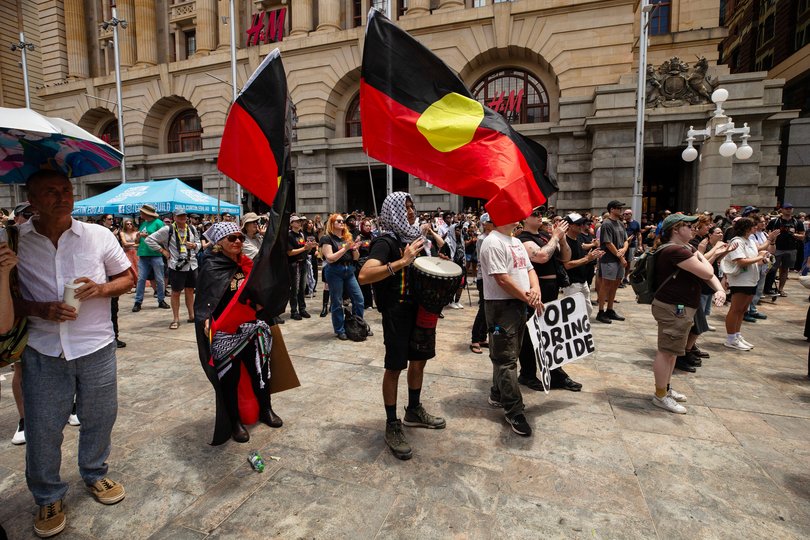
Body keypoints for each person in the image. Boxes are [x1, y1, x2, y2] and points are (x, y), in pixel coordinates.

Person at [2, 170, 133, 537]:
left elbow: (128, 278)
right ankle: (47, 495)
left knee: (100, 417)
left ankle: (94, 473)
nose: (62, 197)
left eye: (66, 190)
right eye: (51, 192)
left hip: (96, 345)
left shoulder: (98, 235)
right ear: (32, 198)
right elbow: (6, 298)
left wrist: (101, 288)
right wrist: (42, 309)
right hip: (43, 351)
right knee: (43, 428)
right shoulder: (16, 241)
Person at [358, 192, 445, 461]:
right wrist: (401, 262)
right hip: (397, 311)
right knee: (395, 367)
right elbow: (364, 275)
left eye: (412, 206)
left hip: (421, 310)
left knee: (419, 361)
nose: (410, 211)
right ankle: (392, 423)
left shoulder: (415, 239)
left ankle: (414, 410)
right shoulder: (386, 241)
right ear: (393, 211)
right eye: (405, 207)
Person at [193, 222, 283, 445]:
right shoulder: (212, 266)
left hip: (253, 328)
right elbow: (205, 299)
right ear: (220, 242)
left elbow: (261, 290)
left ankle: (266, 410)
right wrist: (206, 319)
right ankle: (234, 422)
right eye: (231, 238)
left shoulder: (248, 263)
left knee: (260, 373)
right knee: (229, 380)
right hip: (226, 333)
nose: (237, 242)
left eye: (240, 238)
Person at [650, 214, 725, 414]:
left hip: (681, 307)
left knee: (673, 351)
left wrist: (719, 289)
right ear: (676, 229)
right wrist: (704, 255)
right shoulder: (675, 251)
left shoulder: (686, 249)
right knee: (666, 351)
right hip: (672, 307)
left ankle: (665, 388)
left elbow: (710, 275)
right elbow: (708, 273)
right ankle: (660, 395)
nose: (693, 229)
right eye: (689, 226)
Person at [479, 212, 542, 436]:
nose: (520, 214)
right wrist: (529, 297)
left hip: (519, 305)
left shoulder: (515, 241)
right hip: (501, 307)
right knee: (506, 360)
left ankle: (497, 393)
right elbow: (502, 279)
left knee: (509, 355)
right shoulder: (492, 242)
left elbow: (530, 270)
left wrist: (535, 291)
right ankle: (514, 410)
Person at [517, 207, 581, 391]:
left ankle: (556, 374)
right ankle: (527, 374)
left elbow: (565, 257)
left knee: (552, 333)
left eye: (540, 214)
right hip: (536, 289)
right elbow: (542, 256)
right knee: (531, 334)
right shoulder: (523, 239)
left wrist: (560, 237)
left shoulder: (545, 236)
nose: (539, 217)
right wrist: (555, 237)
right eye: (534, 214)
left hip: (552, 288)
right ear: (524, 219)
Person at [145, 209, 201, 329]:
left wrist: (195, 245)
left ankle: (191, 315)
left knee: (190, 290)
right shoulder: (168, 229)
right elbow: (149, 239)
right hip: (176, 266)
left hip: (192, 264)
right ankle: (176, 318)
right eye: (180, 216)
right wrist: (162, 251)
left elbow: (198, 242)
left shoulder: (191, 229)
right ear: (174, 217)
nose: (183, 218)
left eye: (184, 216)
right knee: (176, 292)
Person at [724, 217, 770, 351]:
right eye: (752, 226)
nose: (755, 227)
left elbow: (753, 260)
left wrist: (763, 258)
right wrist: (759, 257)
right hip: (740, 280)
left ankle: (737, 335)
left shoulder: (749, 240)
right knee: (735, 309)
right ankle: (730, 338)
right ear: (746, 228)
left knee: (743, 309)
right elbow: (740, 261)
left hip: (751, 279)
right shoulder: (737, 241)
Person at [320, 214, 365, 340]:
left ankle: (358, 325)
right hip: (335, 271)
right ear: (332, 223)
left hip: (349, 270)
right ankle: (340, 329)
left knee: (359, 299)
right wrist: (346, 249)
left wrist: (355, 249)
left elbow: (356, 258)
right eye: (338, 221)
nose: (342, 222)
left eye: (342, 221)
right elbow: (330, 258)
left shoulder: (347, 237)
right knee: (337, 302)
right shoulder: (327, 238)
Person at [562, 212, 604, 318]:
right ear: (570, 226)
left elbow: (582, 246)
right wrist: (587, 258)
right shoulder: (565, 242)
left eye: (582, 223)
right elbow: (567, 265)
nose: (581, 226)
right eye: (578, 224)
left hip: (582, 281)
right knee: (572, 315)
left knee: (587, 310)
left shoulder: (578, 237)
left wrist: (593, 254)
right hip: (572, 283)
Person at [132, 204, 170, 312]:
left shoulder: (158, 223)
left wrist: (147, 235)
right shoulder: (143, 224)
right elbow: (137, 241)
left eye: (142, 212)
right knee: (141, 279)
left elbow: (163, 237)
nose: (141, 214)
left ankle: (161, 299)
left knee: (160, 278)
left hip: (156, 254)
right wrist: (138, 237)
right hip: (143, 254)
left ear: (147, 214)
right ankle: (138, 302)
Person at [596, 200, 629, 323]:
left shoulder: (620, 224)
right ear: (612, 209)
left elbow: (626, 240)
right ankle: (601, 311)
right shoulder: (606, 224)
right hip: (609, 259)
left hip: (618, 258)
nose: (621, 210)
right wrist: (621, 257)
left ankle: (610, 309)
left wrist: (624, 250)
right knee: (606, 285)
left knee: (615, 285)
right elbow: (608, 243)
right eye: (618, 208)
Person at [766, 204, 805, 296]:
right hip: (776, 248)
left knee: (785, 270)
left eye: (790, 209)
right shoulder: (775, 221)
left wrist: (793, 234)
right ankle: (768, 288)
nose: (788, 210)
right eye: (786, 209)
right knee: (771, 268)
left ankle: (781, 289)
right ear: (782, 210)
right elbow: (768, 233)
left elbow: (802, 236)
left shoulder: (797, 222)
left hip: (791, 249)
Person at [469, 213, 494, 354]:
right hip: (483, 277)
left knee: (488, 309)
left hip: (490, 278)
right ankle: (475, 339)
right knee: (483, 309)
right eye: (491, 221)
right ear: (484, 224)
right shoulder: (482, 239)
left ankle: (482, 337)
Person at [287, 215, 317, 320]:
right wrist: (305, 248)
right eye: (296, 221)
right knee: (294, 288)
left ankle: (302, 308)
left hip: (303, 262)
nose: (299, 223)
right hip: (294, 264)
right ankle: (294, 310)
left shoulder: (301, 234)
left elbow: (305, 249)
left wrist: (309, 248)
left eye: (299, 221)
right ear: (291, 224)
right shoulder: (289, 236)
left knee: (302, 287)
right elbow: (290, 252)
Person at [355, 218, 375, 309]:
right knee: (363, 283)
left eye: (369, 226)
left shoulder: (373, 236)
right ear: (362, 226)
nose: (368, 227)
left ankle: (370, 303)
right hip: (361, 262)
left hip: (371, 261)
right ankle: (363, 303)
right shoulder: (359, 237)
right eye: (366, 225)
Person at [119, 219, 140, 286]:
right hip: (127, 252)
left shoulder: (136, 233)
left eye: (130, 224)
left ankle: (137, 283)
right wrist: (134, 244)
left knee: (137, 268)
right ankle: (131, 283)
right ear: (125, 225)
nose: (129, 225)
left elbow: (139, 244)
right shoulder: (122, 233)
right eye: (127, 224)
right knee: (129, 268)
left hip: (136, 252)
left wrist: (129, 244)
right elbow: (124, 244)